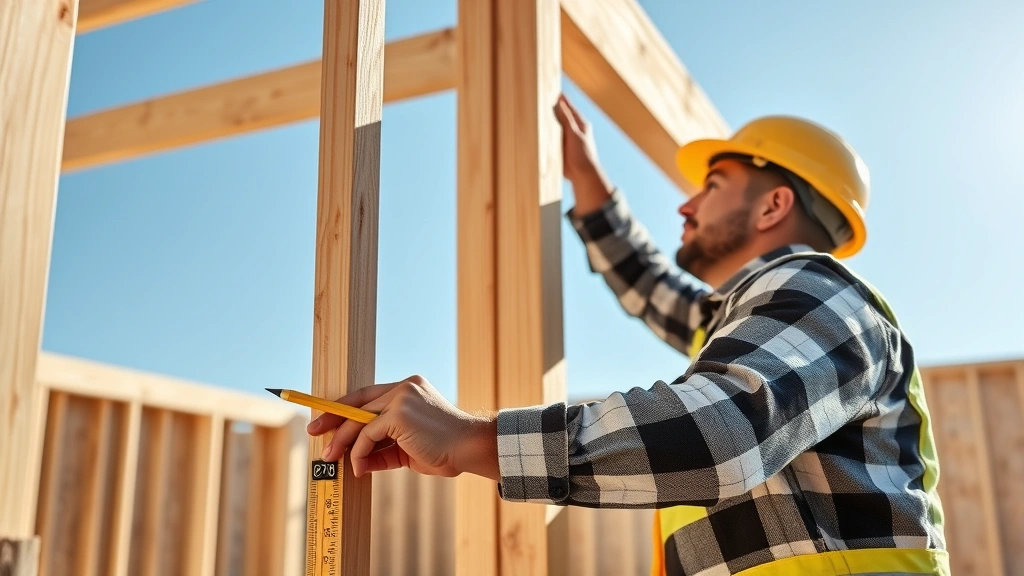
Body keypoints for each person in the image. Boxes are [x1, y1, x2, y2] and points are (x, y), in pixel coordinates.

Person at [306, 94, 949, 575]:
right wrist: (589, 184)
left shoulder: (817, 289)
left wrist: (475, 439)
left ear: (773, 206)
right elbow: (654, 291)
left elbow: (721, 432)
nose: (686, 205)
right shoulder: (756, 322)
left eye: (713, 185)